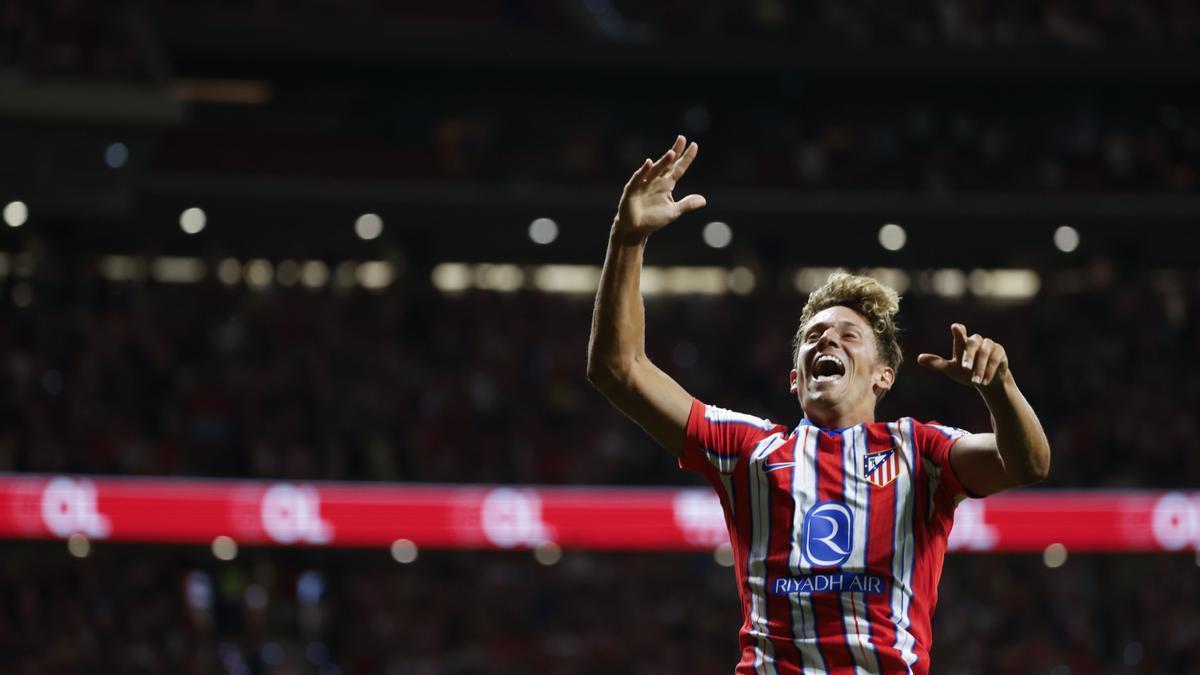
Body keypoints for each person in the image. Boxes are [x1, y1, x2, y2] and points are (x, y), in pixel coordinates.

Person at [586, 135, 1051, 674]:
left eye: (848, 335)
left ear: (884, 376)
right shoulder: (749, 450)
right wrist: (627, 240)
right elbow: (617, 370)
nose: (826, 341)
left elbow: (1029, 464)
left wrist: (1000, 390)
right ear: (793, 378)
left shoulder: (917, 448)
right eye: (814, 336)